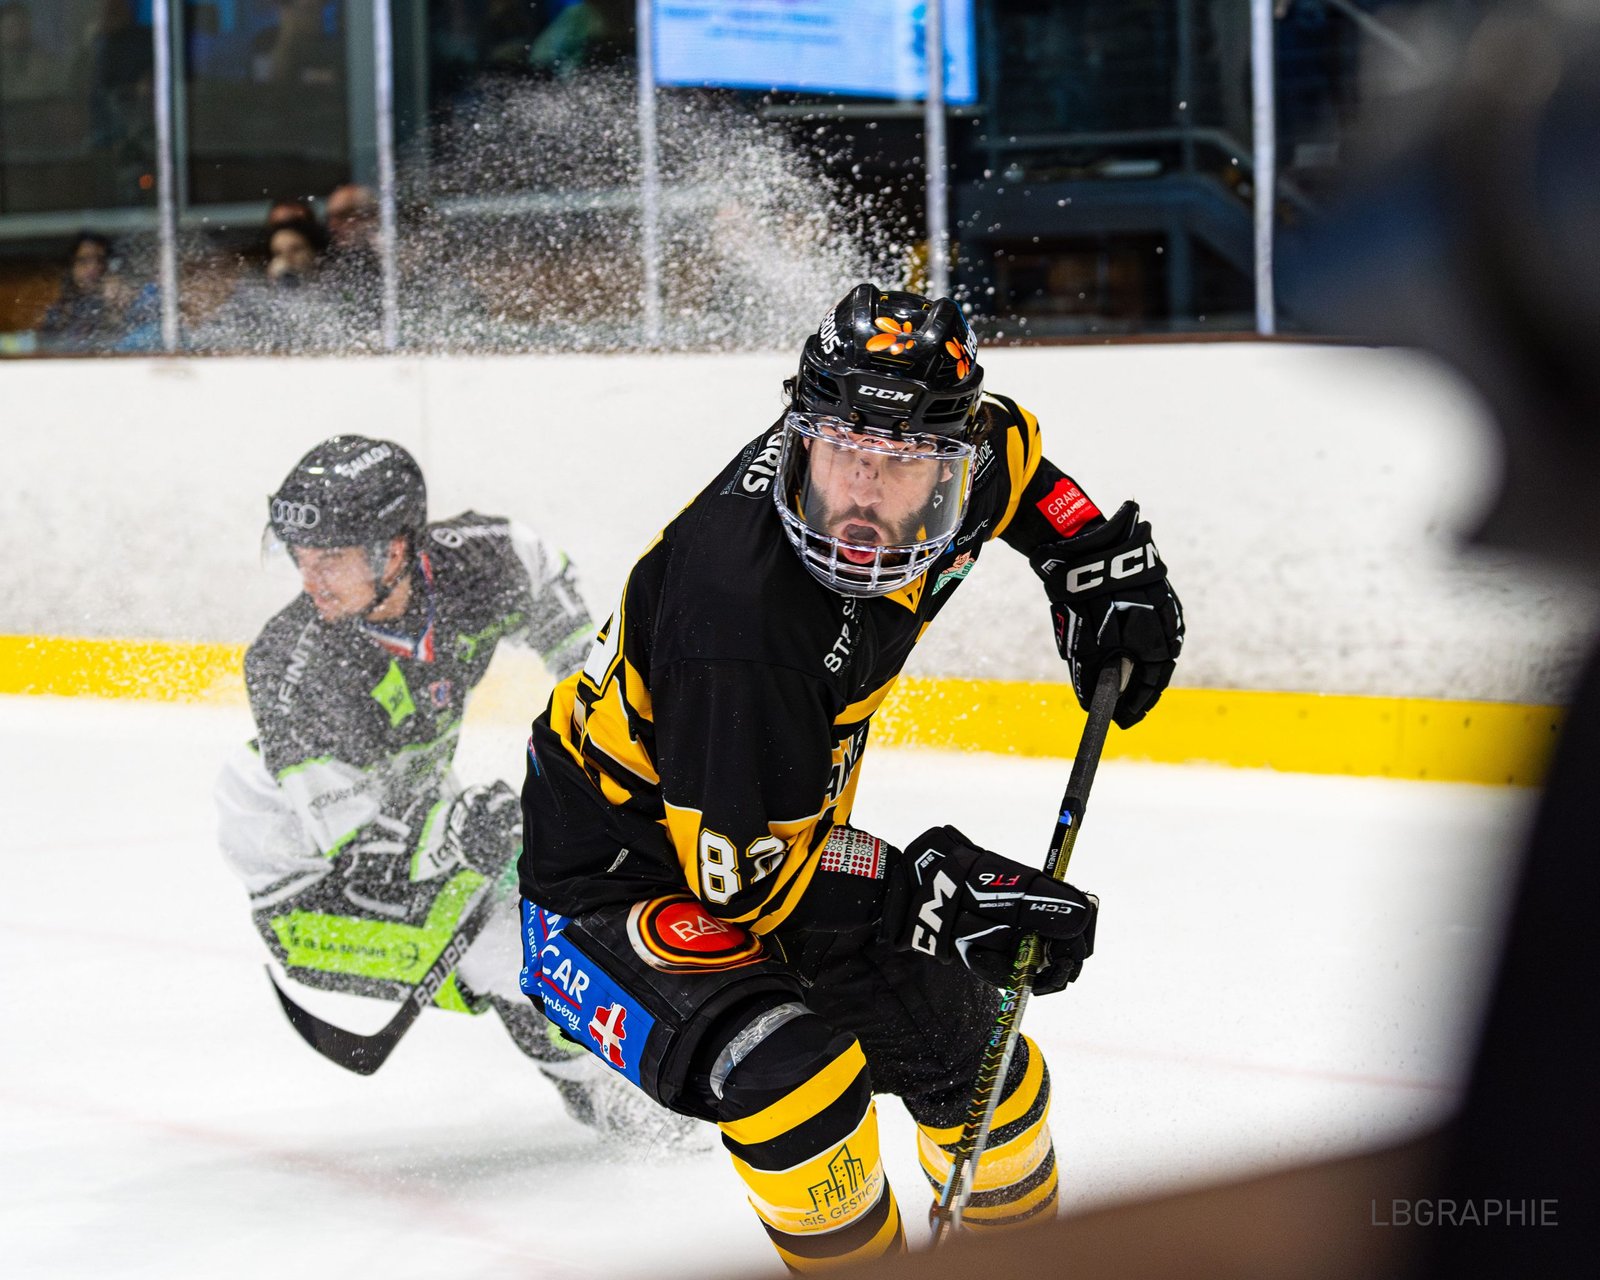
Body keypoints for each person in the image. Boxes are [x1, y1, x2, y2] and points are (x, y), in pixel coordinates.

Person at [517, 283, 1184, 1268]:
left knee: (982, 1063)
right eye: (842, 454)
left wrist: (1087, 551)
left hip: (759, 826)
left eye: (902, 464)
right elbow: (743, 890)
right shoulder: (740, 619)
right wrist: (933, 893)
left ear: (950, 461)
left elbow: (1027, 473)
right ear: (801, 435)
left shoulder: (971, 459)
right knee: (793, 1078)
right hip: (612, 884)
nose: (861, 498)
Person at [216, 435, 693, 1144]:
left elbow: (559, 610)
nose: (310, 579)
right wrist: (466, 827)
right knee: (527, 949)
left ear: (394, 550)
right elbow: (362, 853)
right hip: (312, 882)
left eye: (331, 558)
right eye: (300, 557)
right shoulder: (293, 665)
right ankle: (599, 1095)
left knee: (597, 884)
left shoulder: (482, 562)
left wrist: (609, 723)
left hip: (419, 808)